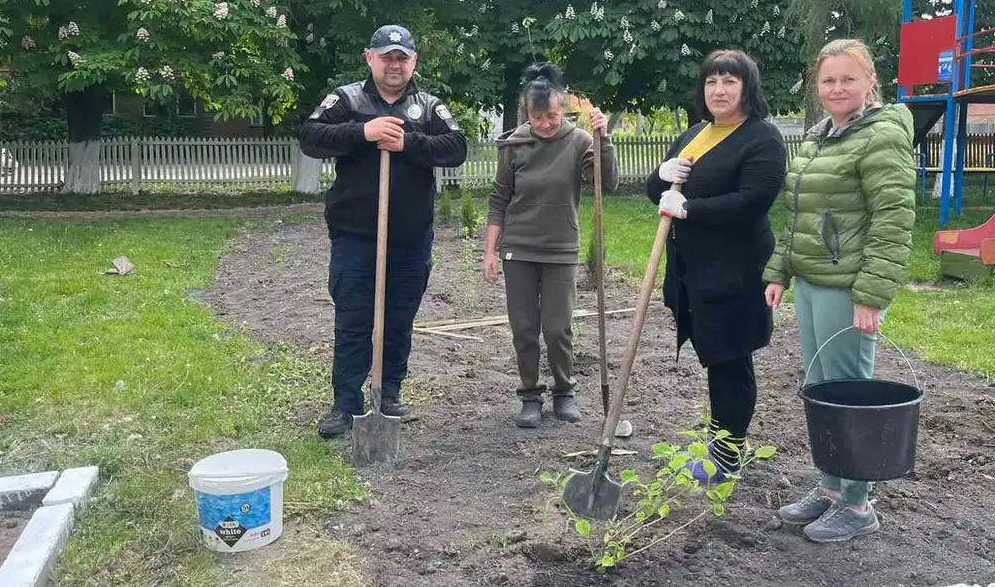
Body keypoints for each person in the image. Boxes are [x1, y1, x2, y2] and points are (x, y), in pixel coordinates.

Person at [764, 38, 916, 543]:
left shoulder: (882, 136)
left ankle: (858, 502)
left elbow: (893, 218)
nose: (836, 88)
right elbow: (799, 216)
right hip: (811, 281)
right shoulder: (819, 136)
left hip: (847, 286)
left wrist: (872, 292)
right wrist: (779, 271)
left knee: (851, 391)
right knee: (821, 389)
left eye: (847, 78)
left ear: (870, 81)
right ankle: (830, 487)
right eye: (828, 80)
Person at [299, 24, 468, 439]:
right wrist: (364, 132)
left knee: (397, 320)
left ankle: (389, 393)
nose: (395, 64)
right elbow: (311, 137)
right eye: (387, 56)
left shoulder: (428, 107)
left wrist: (407, 143)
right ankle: (346, 403)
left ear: (414, 62)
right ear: (370, 58)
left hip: (410, 238)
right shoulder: (346, 99)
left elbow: (457, 148)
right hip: (356, 235)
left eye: (402, 58)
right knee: (353, 319)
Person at [646, 49, 787, 480]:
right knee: (717, 357)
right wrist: (660, 174)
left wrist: (689, 208)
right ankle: (720, 443)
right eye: (711, 81)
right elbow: (660, 193)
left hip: (736, 272)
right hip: (695, 272)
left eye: (729, 81)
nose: (719, 90)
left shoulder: (761, 138)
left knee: (731, 359)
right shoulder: (695, 134)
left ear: (747, 87)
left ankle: (727, 456)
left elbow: (752, 201)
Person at [484, 63, 618, 428]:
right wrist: (490, 252)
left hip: (561, 248)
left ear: (564, 111)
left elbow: (604, 183)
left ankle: (564, 391)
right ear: (528, 113)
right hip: (519, 249)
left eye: (553, 116)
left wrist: (604, 139)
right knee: (524, 328)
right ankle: (530, 395)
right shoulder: (514, 145)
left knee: (558, 328)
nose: (545, 124)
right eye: (538, 117)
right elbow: (499, 199)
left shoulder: (578, 142)